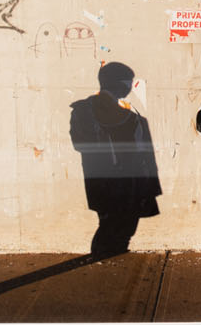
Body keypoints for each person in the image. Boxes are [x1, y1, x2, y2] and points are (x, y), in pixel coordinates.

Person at [67, 62, 161, 259]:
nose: (130, 87)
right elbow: (143, 154)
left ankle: (107, 253)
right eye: (128, 82)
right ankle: (104, 254)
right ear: (118, 83)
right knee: (115, 222)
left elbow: (79, 144)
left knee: (111, 220)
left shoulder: (83, 111)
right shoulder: (131, 118)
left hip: (100, 176)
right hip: (122, 178)